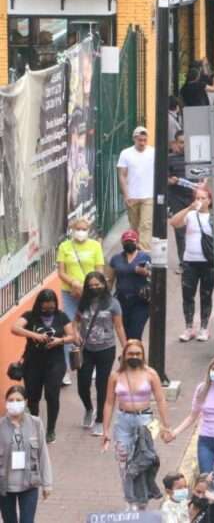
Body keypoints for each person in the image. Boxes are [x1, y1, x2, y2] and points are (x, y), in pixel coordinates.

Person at [100, 340, 174, 511]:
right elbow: (109, 403)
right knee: (123, 462)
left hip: (145, 422)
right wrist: (105, 430)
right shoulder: (115, 376)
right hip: (123, 422)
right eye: (130, 353)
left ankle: (142, 500)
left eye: (137, 354)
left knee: (143, 460)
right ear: (124, 355)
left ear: (143, 355)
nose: (134, 356)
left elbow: (161, 399)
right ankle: (129, 501)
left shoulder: (151, 374)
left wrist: (166, 425)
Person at [169, 187, 214, 342]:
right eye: (197, 198)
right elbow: (174, 223)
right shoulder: (190, 215)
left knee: (206, 294)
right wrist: (188, 208)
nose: (199, 201)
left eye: (203, 198)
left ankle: (204, 328)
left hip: (209, 262)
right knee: (188, 295)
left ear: (209, 200)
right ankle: (189, 327)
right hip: (190, 261)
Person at [11, 290, 74, 443]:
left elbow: (73, 336)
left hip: (55, 362)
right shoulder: (30, 315)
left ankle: (51, 429)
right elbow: (14, 328)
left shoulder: (61, 316)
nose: (48, 311)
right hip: (33, 362)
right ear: (39, 305)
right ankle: (34, 425)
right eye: (45, 308)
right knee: (33, 397)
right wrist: (35, 336)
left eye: (51, 308)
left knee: (52, 395)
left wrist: (59, 341)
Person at [170, 356, 214, 473]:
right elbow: (192, 416)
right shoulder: (201, 389)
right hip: (205, 440)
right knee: (205, 476)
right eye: (213, 369)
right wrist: (175, 432)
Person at [76, 271, 127, 437]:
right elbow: (76, 322)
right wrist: (75, 335)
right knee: (82, 384)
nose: (94, 288)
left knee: (101, 385)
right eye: (90, 286)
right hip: (87, 349)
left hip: (106, 349)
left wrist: (126, 348)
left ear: (104, 285)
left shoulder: (113, 303)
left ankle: (99, 420)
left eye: (97, 285)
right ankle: (89, 409)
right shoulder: (83, 303)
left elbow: (119, 327)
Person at [56, 217, 105, 382]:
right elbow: (61, 272)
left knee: (90, 328)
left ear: (88, 230)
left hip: (90, 293)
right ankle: (66, 370)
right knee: (69, 328)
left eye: (84, 229)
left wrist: (85, 288)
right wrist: (74, 283)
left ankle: (90, 366)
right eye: (78, 228)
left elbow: (99, 272)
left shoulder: (95, 246)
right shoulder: (65, 247)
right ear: (72, 229)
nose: (81, 232)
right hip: (69, 293)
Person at [0, 386, 52, 522]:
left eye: (18, 399)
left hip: (29, 485)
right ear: (6, 402)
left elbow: (43, 455)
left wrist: (47, 484)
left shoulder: (36, 423)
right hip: (5, 487)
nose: (15, 403)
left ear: (26, 401)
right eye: (11, 400)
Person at [117, 125, 155, 250]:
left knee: (146, 224)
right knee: (134, 225)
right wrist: (126, 195)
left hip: (148, 195)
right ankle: (134, 249)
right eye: (140, 140)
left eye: (145, 140)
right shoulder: (126, 153)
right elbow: (122, 175)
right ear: (134, 139)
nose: (142, 143)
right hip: (132, 195)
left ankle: (144, 251)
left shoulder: (152, 152)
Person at [109, 229, 152, 340]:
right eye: (126, 241)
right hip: (122, 301)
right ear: (122, 243)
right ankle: (129, 355)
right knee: (125, 332)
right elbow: (110, 280)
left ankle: (136, 355)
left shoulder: (145, 257)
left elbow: (154, 276)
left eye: (132, 241)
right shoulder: (116, 259)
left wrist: (145, 272)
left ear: (137, 242)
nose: (129, 244)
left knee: (135, 333)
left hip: (140, 301)